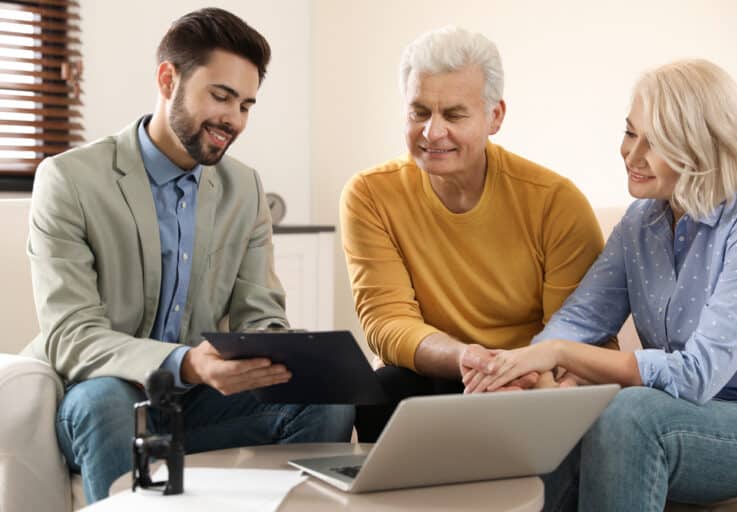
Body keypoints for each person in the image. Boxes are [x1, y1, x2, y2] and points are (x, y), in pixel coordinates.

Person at [23, 8, 353, 503]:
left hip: (199, 407)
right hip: (102, 397)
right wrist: (189, 363)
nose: (233, 121)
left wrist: (286, 356)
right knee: (109, 403)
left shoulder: (244, 187)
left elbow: (260, 313)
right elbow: (71, 334)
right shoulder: (69, 179)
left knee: (324, 401)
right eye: (220, 97)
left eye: (246, 105)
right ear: (167, 78)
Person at [463, 59, 737, 510]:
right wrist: (530, 369)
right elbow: (582, 317)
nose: (632, 154)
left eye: (656, 142)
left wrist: (562, 355)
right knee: (553, 415)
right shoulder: (641, 222)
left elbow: (697, 375)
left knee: (629, 415)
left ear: (702, 149)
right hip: (676, 411)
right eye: (630, 133)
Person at [339, 26, 610, 442]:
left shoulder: (555, 200)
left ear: (495, 116)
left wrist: (518, 373)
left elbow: (574, 332)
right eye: (418, 112)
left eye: (453, 114)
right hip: (440, 371)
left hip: (533, 380)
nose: (432, 132)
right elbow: (387, 322)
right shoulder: (370, 194)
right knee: (385, 388)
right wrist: (469, 358)